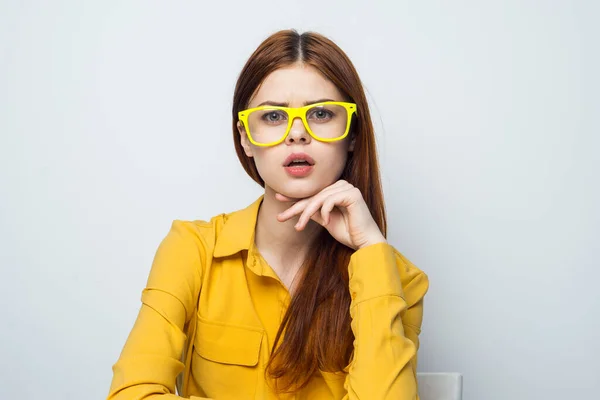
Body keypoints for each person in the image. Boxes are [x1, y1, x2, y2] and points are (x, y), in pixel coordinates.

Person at [107, 29, 429, 400]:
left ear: (352, 135)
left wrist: (370, 248)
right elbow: (132, 393)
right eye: (274, 116)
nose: (297, 133)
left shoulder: (396, 277)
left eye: (321, 113)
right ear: (245, 137)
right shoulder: (192, 249)